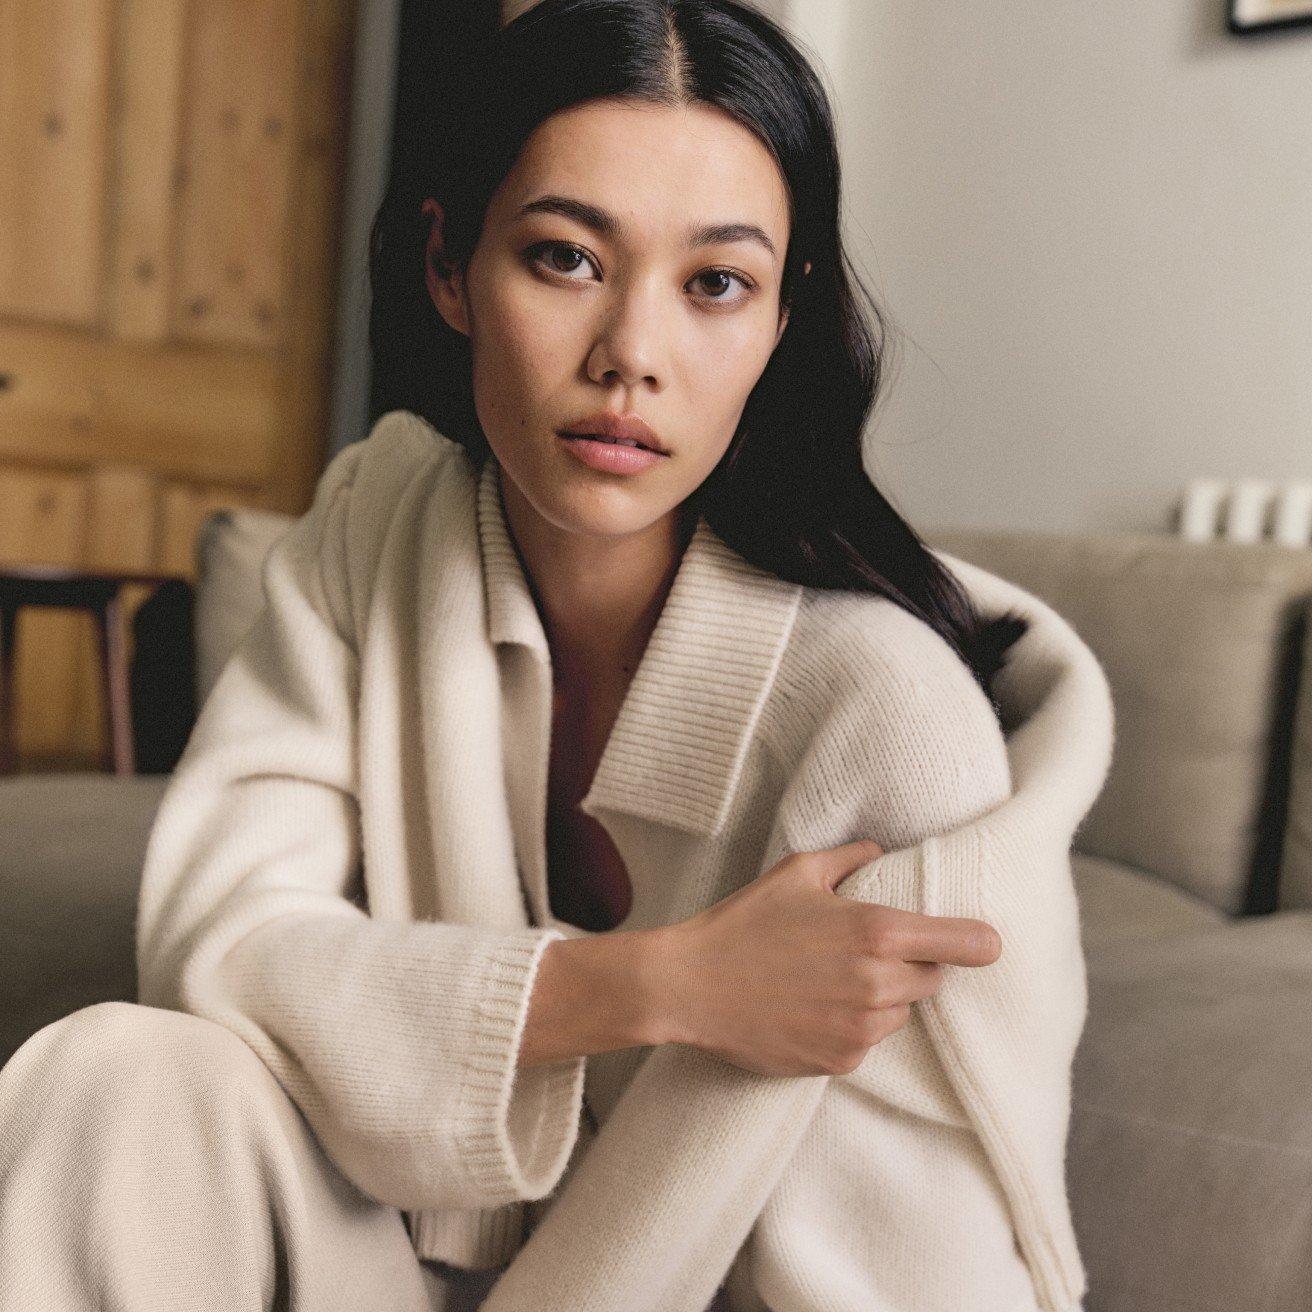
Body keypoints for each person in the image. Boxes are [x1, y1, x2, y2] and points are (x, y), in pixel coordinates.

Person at [0, 2, 1114, 1309]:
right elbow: (219, 952)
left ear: (779, 322)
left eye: (715, 283)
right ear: (450, 266)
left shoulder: (886, 721)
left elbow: (908, 1277)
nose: (630, 357)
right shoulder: (380, 530)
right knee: (118, 1074)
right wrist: (650, 988)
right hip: (382, 1263)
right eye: (565, 257)